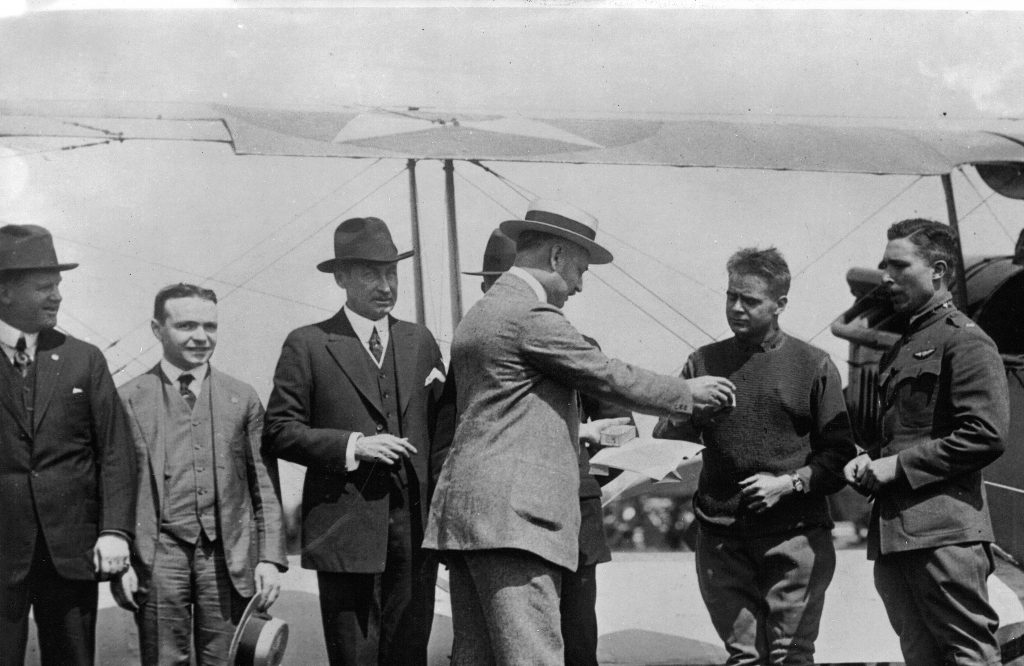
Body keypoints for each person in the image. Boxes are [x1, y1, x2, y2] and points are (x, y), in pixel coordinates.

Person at [424, 200, 736, 665]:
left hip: (472, 520)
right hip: (517, 525)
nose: (580, 286)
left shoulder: (486, 310)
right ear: (554, 257)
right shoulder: (530, 315)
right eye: (579, 270)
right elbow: (606, 374)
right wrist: (687, 392)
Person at [263, 217, 455, 666]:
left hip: (415, 531)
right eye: (371, 273)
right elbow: (278, 430)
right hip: (344, 531)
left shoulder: (420, 340)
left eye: (391, 272)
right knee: (355, 658)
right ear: (340, 277)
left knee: (410, 654)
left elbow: (444, 428)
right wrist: (353, 446)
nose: (385, 285)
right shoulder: (309, 344)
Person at [653, 246, 856, 665]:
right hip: (721, 538)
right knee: (744, 657)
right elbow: (666, 439)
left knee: (790, 655)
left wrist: (789, 483)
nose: (737, 308)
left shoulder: (813, 365)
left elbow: (839, 458)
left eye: (751, 300)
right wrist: (690, 407)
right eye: (731, 296)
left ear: (780, 304)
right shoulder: (703, 362)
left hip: (795, 537)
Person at [463, 227, 634, 666]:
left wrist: (594, 458)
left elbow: (623, 428)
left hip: (574, 518)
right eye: (491, 284)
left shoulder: (578, 346)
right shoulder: (474, 349)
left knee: (577, 642)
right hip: (505, 523)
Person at [844, 219, 1009, 666]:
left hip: (945, 536)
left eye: (899, 265)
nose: (886, 277)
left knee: (969, 656)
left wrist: (894, 467)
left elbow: (986, 434)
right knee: (920, 657)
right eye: (883, 265)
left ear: (937, 270)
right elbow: (902, 435)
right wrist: (868, 462)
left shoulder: (966, 341)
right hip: (898, 535)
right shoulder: (905, 345)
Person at [110, 283, 287, 665]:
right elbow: (114, 487)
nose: (201, 337)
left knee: (226, 658)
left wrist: (270, 559)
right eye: (187, 325)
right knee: (163, 658)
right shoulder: (127, 399)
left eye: (210, 326)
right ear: (158, 330)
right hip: (158, 554)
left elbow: (264, 486)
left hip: (227, 555)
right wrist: (122, 560)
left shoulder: (242, 397)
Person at [0, 223, 136, 666]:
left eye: (57, 285)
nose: (57, 296)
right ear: (4, 292)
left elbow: (115, 451)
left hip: (71, 554)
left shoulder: (84, 358)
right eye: (44, 287)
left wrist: (115, 531)